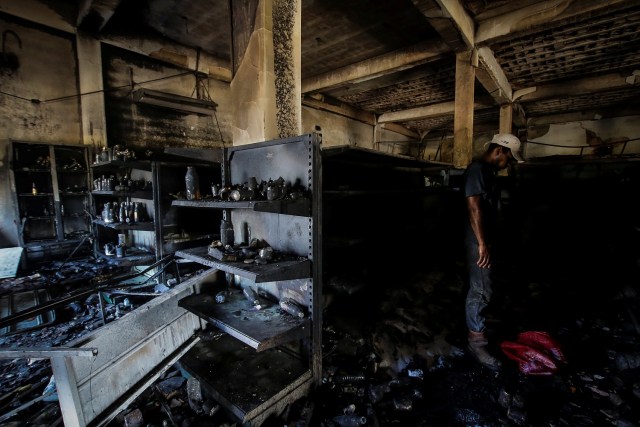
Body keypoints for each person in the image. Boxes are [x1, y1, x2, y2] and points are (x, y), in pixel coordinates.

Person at [463, 133, 524, 370]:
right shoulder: (477, 169)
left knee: (482, 285)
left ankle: (479, 325)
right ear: (500, 150)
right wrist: (481, 243)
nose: (508, 163)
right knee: (480, 288)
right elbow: (473, 205)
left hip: (483, 238)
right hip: (476, 240)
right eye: (508, 158)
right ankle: (476, 341)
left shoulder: (487, 172)